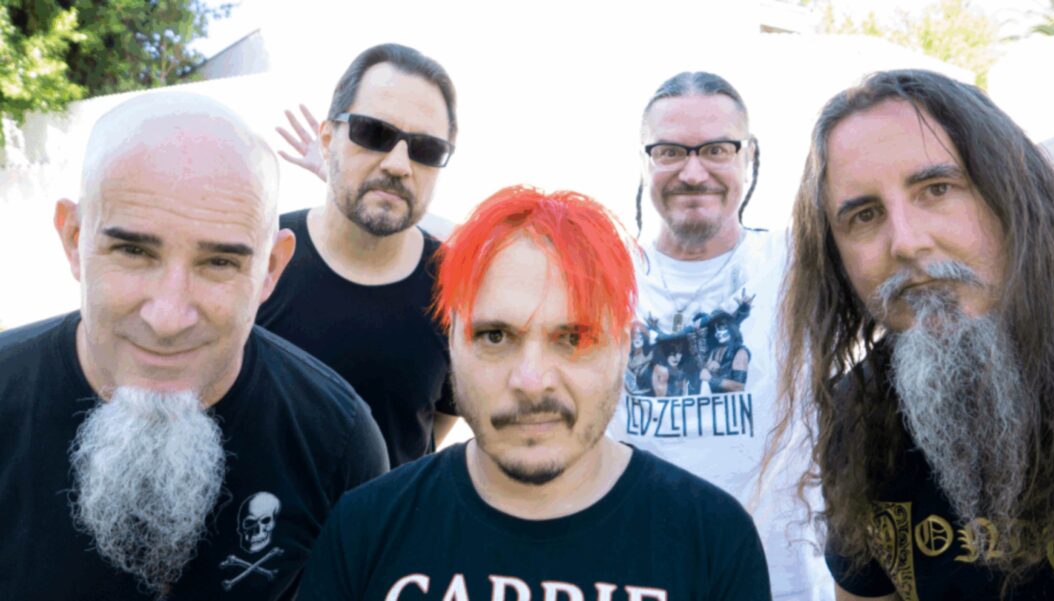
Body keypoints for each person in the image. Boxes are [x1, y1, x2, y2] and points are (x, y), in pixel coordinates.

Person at [297, 185, 772, 601]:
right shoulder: (365, 529)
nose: (531, 380)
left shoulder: (712, 541)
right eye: (495, 336)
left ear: (625, 346)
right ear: (451, 340)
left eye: (574, 338)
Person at [0, 92, 388, 600]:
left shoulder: (336, 442)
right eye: (133, 251)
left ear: (270, 269)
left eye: (219, 263)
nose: (168, 318)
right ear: (75, 240)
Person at [779, 69, 1054, 599]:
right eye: (865, 215)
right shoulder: (859, 414)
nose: (907, 243)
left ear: (1013, 195)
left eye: (937, 189)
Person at [607, 72, 831, 600]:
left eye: (716, 149)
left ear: (749, 156)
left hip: (780, 586)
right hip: (640, 582)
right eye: (669, 151)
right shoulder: (603, 277)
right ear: (644, 161)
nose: (693, 172)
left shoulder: (802, 265)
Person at [257, 43, 458, 468]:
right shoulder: (258, 255)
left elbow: (433, 424)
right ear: (328, 139)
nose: (399, 164)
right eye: (374, 133)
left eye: (426, 149)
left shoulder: (457, 287)